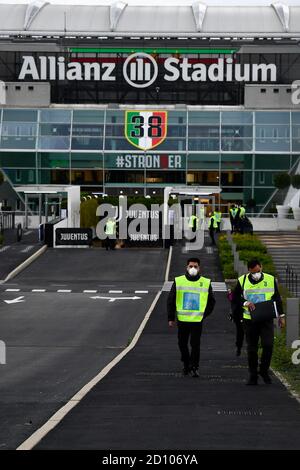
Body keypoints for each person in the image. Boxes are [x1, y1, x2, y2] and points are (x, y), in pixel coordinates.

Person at [232, 259, 285, 385]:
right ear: (249, 270)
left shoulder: (270, 279)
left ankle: (264, 370)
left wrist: (281, 316)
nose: (257, 274)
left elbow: (277, 298)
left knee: (268, 345)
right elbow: (234, 299)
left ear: (261, 267)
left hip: (266, 319)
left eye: (259, 271)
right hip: (249, 321)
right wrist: (245, 302)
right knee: (252, 348)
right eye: (254, 272)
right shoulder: (242, 281)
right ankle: (253, 375)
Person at [167, 257, 216, 377]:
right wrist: (171, 317)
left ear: (199, 268)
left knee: (195, 344)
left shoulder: (205, 282)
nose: (193, 269)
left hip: (197, 320)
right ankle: (186, 363)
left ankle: (194, 367)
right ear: (186, 267)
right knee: (182, 344)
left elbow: (212, 301)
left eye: (195, 266)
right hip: (182, 320)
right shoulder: (178, 281)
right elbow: (171, 299)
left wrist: (204, 314)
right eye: (191, 266)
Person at [227, 288, 244, 356]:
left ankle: (239, 348)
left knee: (240, 332)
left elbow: (232, 299)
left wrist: (230, 293)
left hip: (239, 314)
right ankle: (239, 347)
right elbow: (232, 299)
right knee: (240, 332)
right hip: (239, 314)